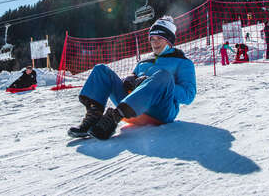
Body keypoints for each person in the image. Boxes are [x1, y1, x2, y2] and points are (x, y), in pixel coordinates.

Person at [68, 16, 196, 140]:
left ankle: (113, 118)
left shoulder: (183, 62)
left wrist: (155, 83)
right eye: (152, 39)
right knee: (101, 70)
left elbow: (188, 95)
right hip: (132, 111)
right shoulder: (144, 62)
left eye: (160, 38)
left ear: (169, 40)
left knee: (164, 76)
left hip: (160, 112)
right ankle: (93, 117)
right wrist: (129, 80)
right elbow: (134, 81)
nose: (155, 42)